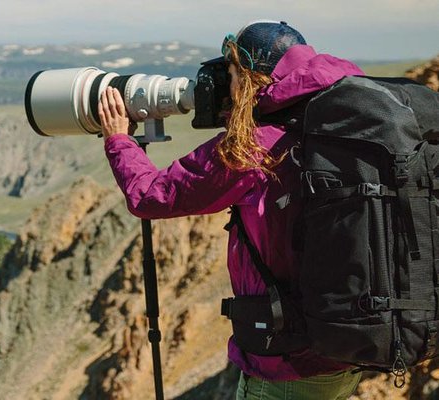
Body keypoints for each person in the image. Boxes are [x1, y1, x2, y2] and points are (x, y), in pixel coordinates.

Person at [98, 21, 365, 399]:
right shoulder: (344, 121)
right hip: (347, 344)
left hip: (288, 360)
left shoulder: (252, 147)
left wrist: (119, 140)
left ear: (251, 78)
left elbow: (151, 196)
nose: (227, 85)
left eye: (233, 74)